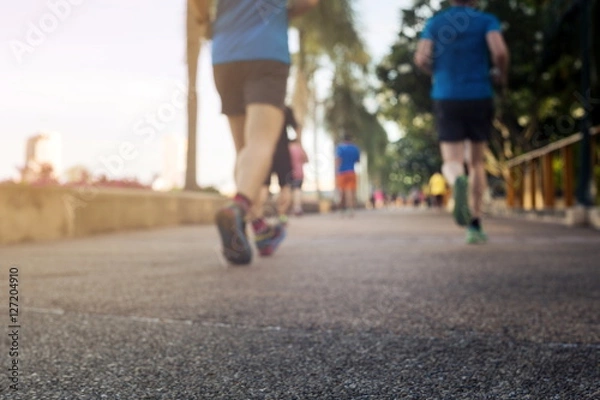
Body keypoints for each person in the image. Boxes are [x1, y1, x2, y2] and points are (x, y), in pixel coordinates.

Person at [210, 0, 320, 265]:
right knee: (260, 143)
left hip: (225, 53)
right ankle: (237, 207)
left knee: (243, 150)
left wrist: (206, 21)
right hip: (266, 52)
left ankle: (257, 228)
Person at [414, 0, 509, 244]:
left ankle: (457, 181)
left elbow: (422, 58)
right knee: (476, 163)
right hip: (479, 95)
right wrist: (501, 73)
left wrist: (436, 73)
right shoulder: (486, 20)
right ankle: (475, 225)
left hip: (446, 97)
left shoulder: (436, 23)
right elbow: (499, 52)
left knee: (451, 161)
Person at [252, 106, 303, 228]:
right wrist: (296, 141)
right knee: (285, 186)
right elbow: (298, 127)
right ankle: (282, 216)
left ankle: (258, 217)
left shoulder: (259, 108)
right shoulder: (284, 109)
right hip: (282, 152)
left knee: (264, 186)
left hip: (265, 151)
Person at [335, 133, 361, 216]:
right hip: (351, 172)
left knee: (342, 191)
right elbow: (358, 161)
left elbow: (338, 160)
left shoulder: (340, 148)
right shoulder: (355, 148)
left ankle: (342, 209)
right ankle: (350, 209)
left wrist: (336, 170)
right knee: (350, 191)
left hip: (342, 172)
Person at [288, 137, 308, 216]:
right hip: (299, 172)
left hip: (289, 173)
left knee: (290, 190)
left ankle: (293, 208)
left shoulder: (288, 149)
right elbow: (306, 160)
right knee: (297, 190)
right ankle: (297, 208)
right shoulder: (300, 149)